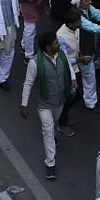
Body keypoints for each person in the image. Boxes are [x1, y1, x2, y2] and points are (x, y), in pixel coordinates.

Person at [21, 32, 75, 180]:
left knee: (54, 122)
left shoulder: (61, 56)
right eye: (56, 43)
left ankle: (51, 136)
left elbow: (68, 67)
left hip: (59, 102)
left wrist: (73, 79)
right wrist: (24, 104)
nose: (58, 44)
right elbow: (28, 83)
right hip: (44, 105)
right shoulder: (35, 63)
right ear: (48, 47)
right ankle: (50, 163)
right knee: (47, 129)